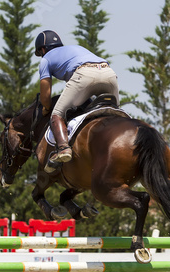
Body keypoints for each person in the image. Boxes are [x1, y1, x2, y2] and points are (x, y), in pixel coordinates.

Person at [35, 30, 119, 171]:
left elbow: (45, 96)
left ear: (42, 49)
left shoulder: (46, 59)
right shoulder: (76, 48)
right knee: (116, 114)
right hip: (109, 73)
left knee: (57, 114)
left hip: (84, 74)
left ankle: (63, 148)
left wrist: (46, 108)